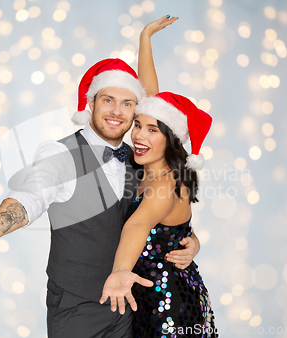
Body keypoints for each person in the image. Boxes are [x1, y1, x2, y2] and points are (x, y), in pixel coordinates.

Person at [0, 16, 200, 338]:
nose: (117, 112)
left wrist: (187, 241)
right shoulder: (60, 155)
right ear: (90, 103)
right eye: (107, 100)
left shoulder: (141, 154)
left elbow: (156, 110)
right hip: (81, 307)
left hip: (137, 302)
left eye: (127, 104)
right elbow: (31, 197)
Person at [99, 19, 217, 338]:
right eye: (138, 125)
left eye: (153, 130)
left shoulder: (165, 182)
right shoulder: (145, 167)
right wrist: (145, 38)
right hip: (146, 299)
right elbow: (151, 97)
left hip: (171, 307)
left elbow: (137, 225)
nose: (138, 134)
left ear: (171, 140)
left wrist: (120, 272)